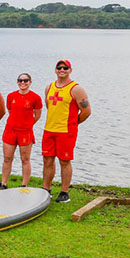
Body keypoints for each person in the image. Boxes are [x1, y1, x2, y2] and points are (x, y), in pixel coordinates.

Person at [42, 59, 91, 203]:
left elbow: (86, 111)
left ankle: (64, 192)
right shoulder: (49, 87)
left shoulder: (76, 89)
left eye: (65, 68)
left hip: (66, 131)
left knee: (64, 160)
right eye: (59, 67)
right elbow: (49, 106)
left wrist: (74, 124)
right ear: (55, 69)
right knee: (47, 160)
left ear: (70, 70)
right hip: (49, 129)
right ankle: (46, 189)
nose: (62, 70)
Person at [0, 72, 42, 189]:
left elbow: (37, 115)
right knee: (7, 158)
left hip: (25, 132)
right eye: (20, 80)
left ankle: (24, 185)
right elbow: (10, 110)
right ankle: (3, 183)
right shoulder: (11, 96)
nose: (22, 83)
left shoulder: (35, 97)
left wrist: (28, 124)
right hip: (10, 130)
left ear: (30, 82)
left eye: (25, 80)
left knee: (25, 159)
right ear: (17, 82)